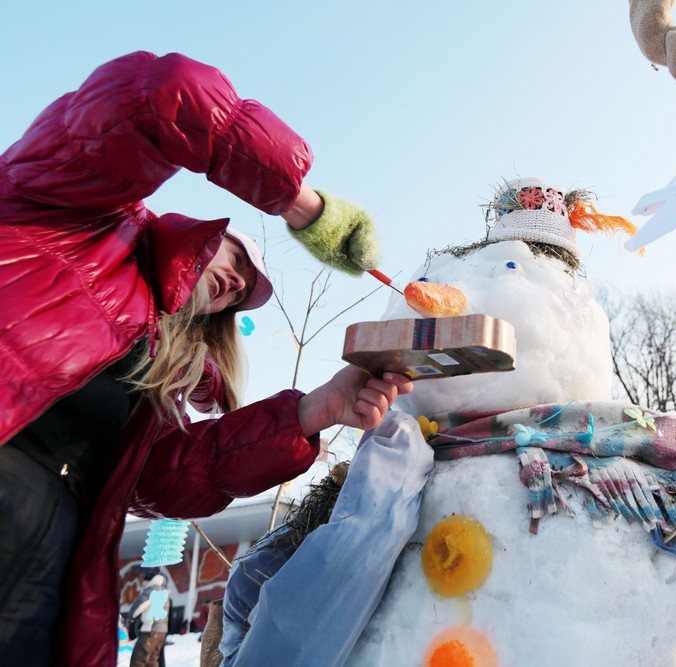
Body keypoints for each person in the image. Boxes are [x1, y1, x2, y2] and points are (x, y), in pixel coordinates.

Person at [0, 51, 412, 667]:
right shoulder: (80, 217)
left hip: (47, 574)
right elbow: (154, 96)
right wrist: (301, 204)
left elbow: (163, 478)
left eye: (245, 290)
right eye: (234, 260)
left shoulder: (153, 369)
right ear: (199, 234)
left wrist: (312, 410)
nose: (237, 283)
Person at [129, 574, 170, 667]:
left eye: (144, 581)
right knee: (152, 660)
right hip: (162, 631)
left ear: (151, 580)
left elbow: (137, 607)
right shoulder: (164, 592)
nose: (143, 583)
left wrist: (132, 617)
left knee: (138, 660)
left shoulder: (150, 591)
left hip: (150, 629)